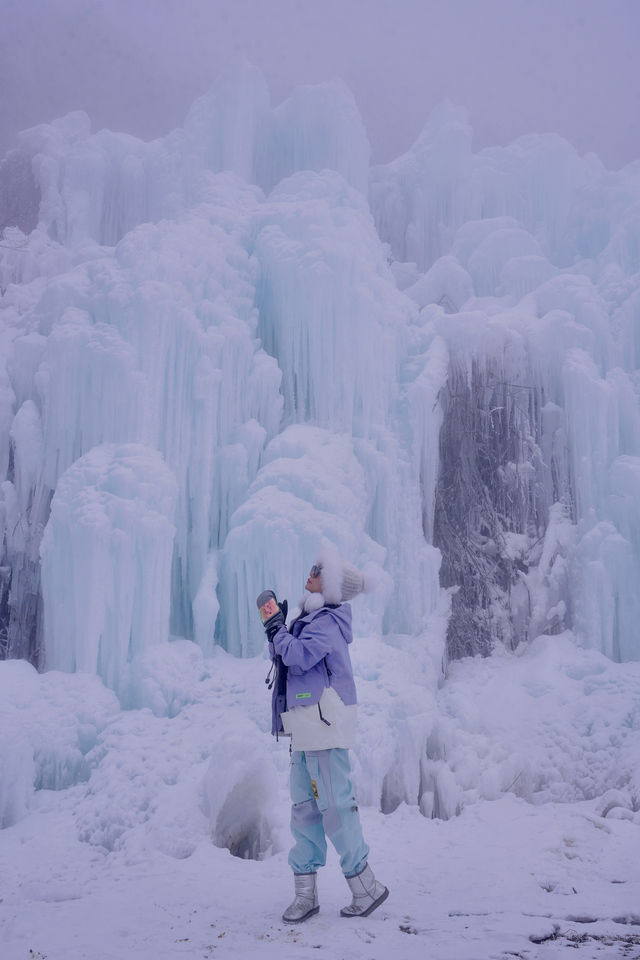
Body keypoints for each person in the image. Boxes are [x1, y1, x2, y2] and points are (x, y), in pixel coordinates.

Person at [258, 554, 389, 924]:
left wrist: (278, 630)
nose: (311, 572)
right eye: (313, 567)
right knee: (304, 809)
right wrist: (279, 629)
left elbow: (299, 656)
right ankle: (305, 894)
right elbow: (283, 655)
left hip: (325, 723)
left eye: (319, 571)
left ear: (330, 585)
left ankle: (366, 887)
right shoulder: (308, 620)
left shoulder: (329, 622)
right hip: (304, 725)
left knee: (335, 805)